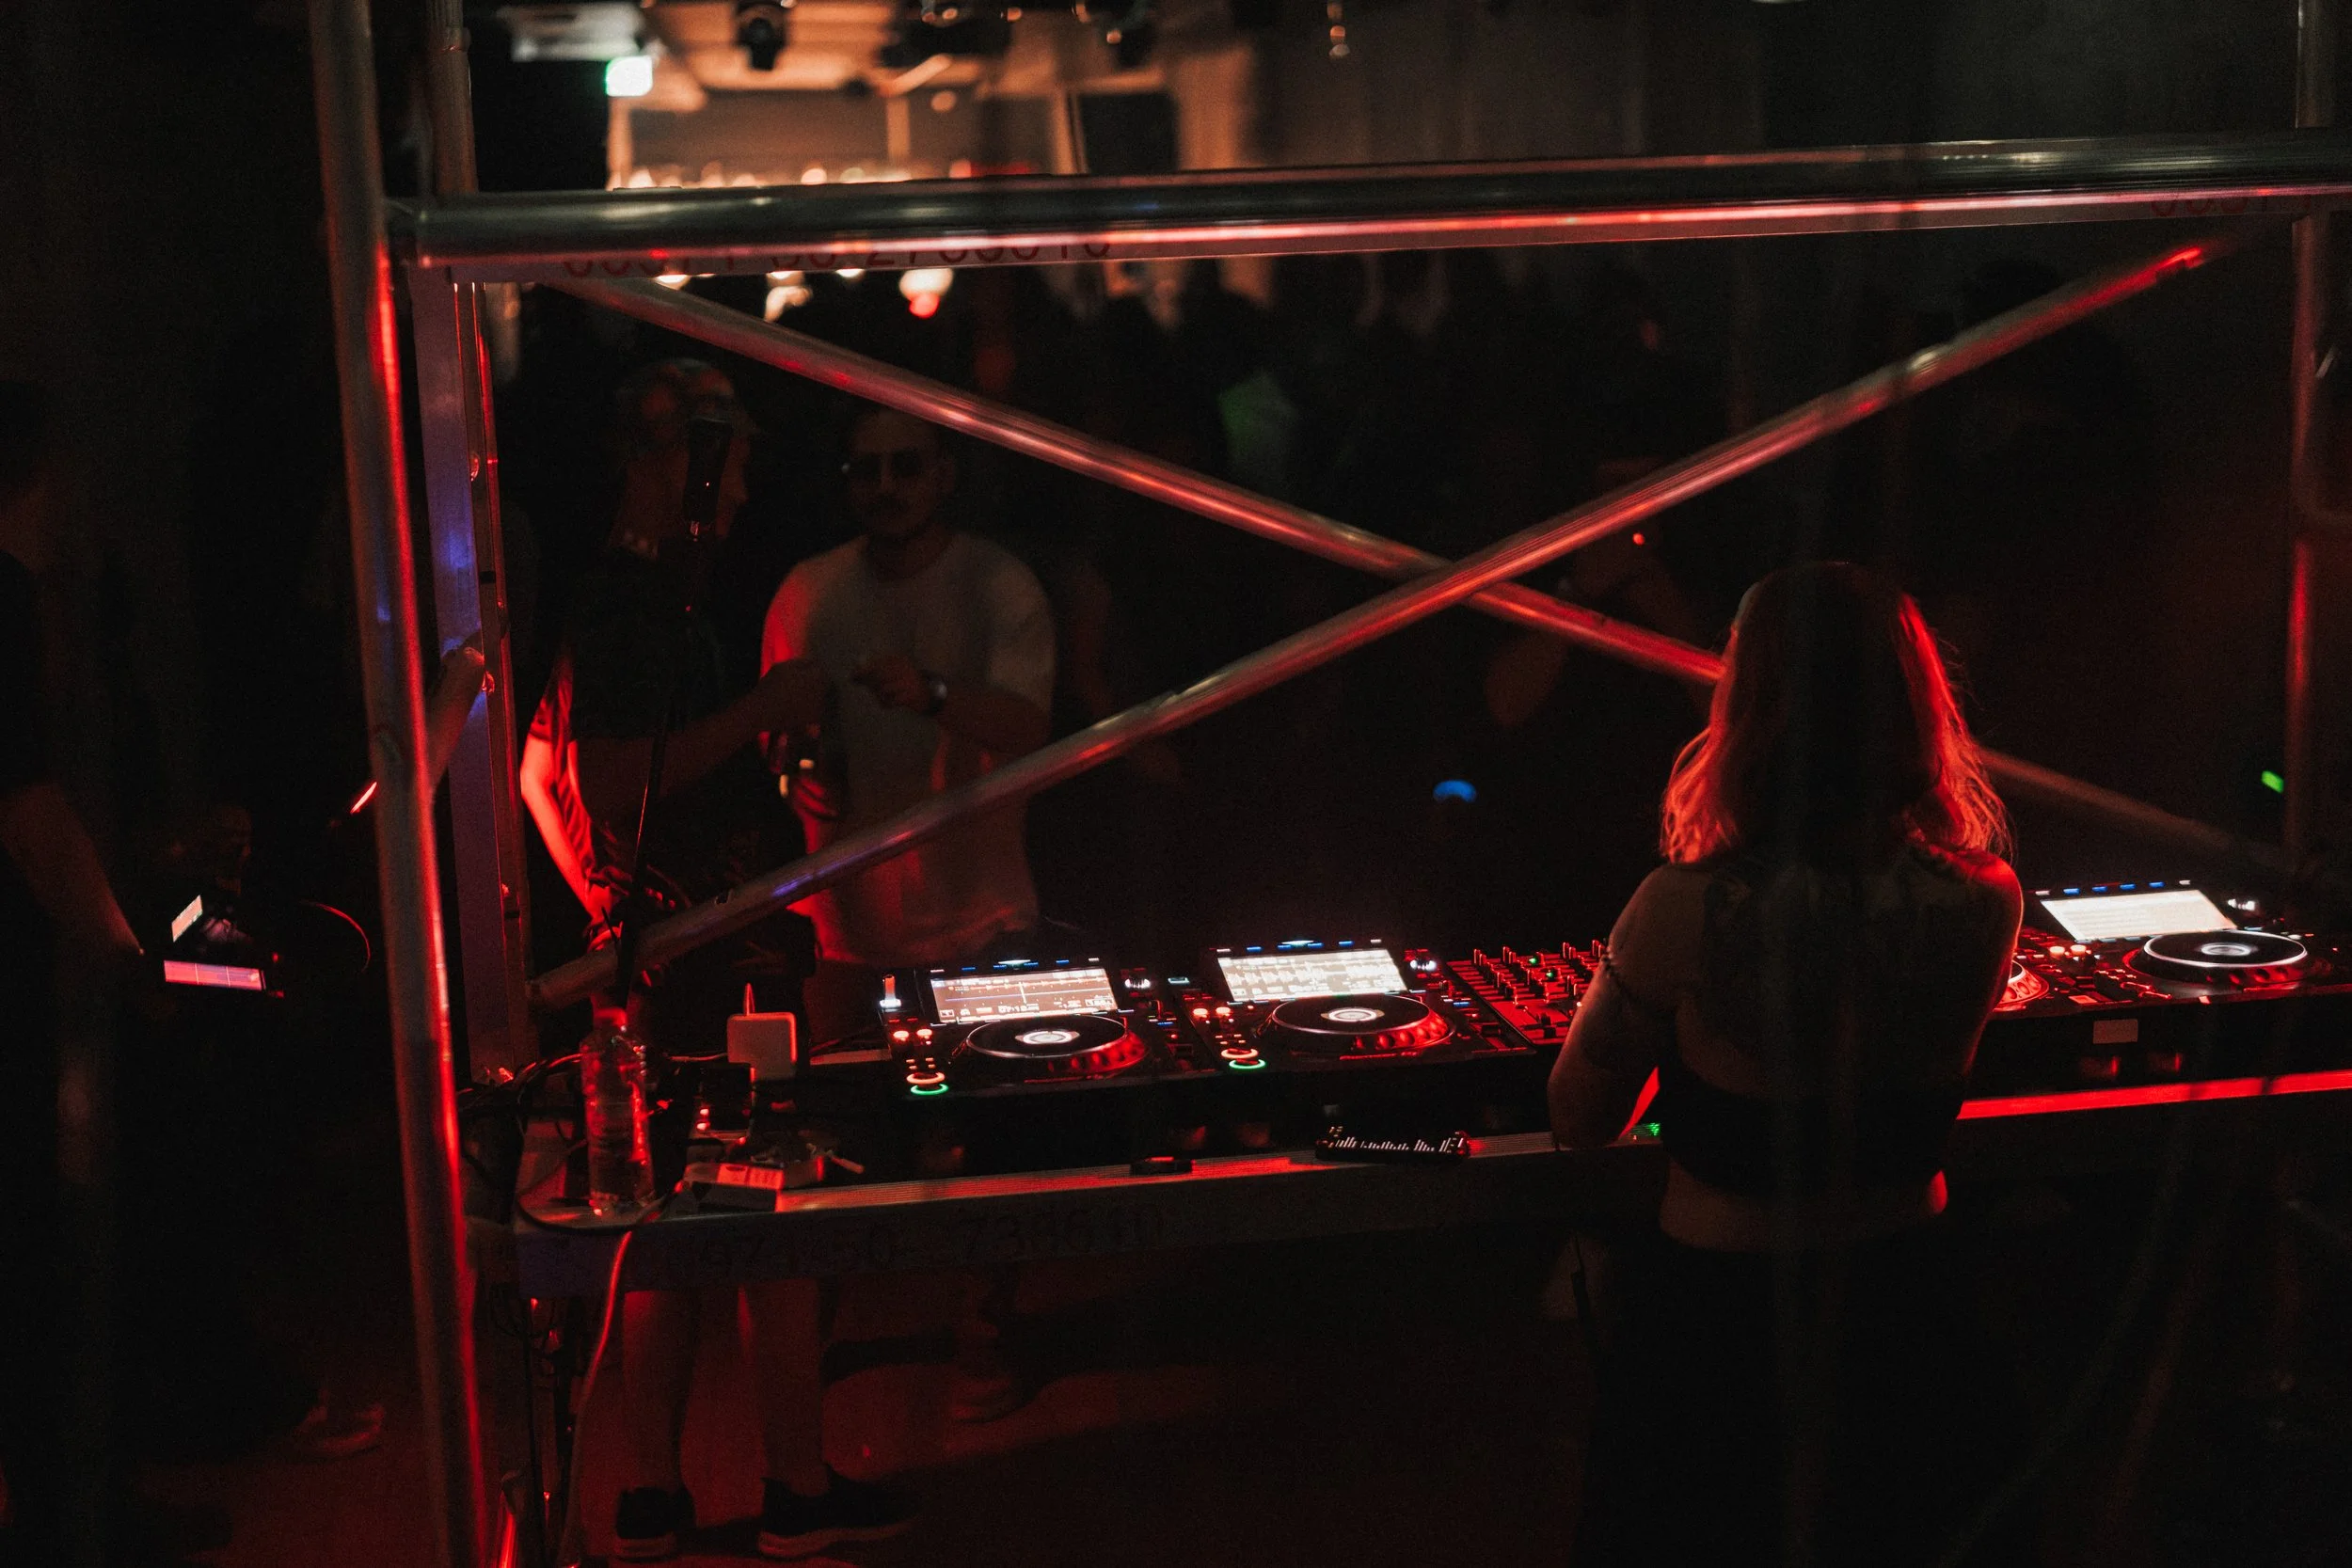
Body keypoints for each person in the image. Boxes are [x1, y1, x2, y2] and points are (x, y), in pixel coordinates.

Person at [1550, 562, 2025, 1566]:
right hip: (1908, 1312)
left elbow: (1580, 1112)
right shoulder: (1988, 896)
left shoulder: (1682, 905)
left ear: (1750, 712)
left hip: (1725, 1329)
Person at [527, 361, 909, 1561]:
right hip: (715, 964)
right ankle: (791, 1486)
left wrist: (604, 891)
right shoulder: (635, 606)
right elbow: (604, 775)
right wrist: (765, 710)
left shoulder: (634, 601)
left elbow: (545, 768)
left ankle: (655, 1496)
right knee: (768, 1211)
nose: (742, 493)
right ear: (677, 465)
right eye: (728, 464)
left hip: (685, 949)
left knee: (661, 1225)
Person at [759, 404, 1055, 1043]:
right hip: (838, 934)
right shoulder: (808, 590)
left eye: (907, 467)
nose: (886, 487)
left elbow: (1030, 729)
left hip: (980, 922)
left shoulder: (999, 583)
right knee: (845, 1119)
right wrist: (797, 770)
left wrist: (935, 695)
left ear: (945, 476)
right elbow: (779, 752)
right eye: (868, 471)